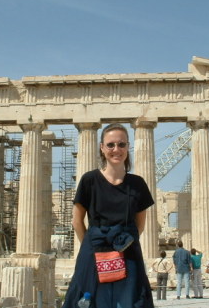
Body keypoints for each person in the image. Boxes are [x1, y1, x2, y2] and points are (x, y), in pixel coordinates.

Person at [62, 123, 155, 308]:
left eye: (121, 144)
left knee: (129, 302)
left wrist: (121, 243)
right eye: (110, 145)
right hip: (95, 252)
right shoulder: (89, 180)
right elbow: (77, 221)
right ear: (102, 148)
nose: (116, 149)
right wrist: (91, 245)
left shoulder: (138, 184)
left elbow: (140, 225)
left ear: (128, 147)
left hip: (128, 253)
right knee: (90, 302)